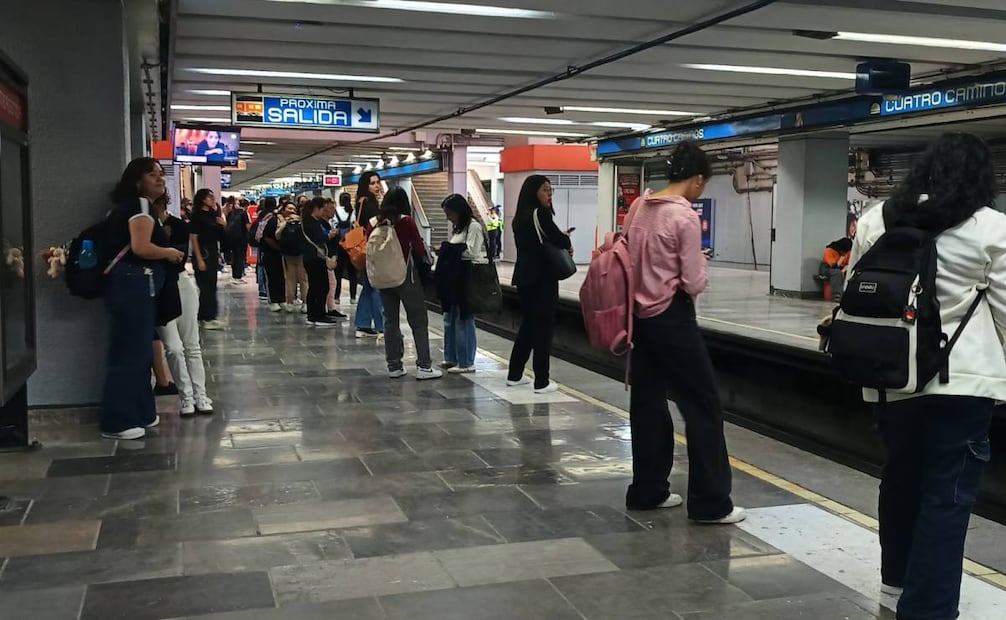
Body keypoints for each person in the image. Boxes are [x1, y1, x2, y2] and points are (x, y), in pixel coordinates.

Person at [848, 133, 1006, 620]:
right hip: (963, 384)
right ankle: (930, 609)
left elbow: (856, 292)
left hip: (892, 378)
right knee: (948, 496)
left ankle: (894, 585)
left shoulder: (878, 219)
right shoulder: (991, 228)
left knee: (900, 477)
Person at [623, 141, 744, 524]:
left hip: (638, 317)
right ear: (695, 179)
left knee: (647, 403)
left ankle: (647, 491)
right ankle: (710, 503)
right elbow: (692, 282)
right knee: (703, 405)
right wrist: (699, 265)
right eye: (702, 184)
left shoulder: (639, 207)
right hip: (672, 317)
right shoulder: (684, 216)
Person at [101, 158, 186, 440]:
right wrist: (169, 252)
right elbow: (141, 247)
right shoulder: (139, 206)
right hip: (133, 286)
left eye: (161, 175)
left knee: (139, 352)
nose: (160, 180)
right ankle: (118, 421)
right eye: (153, 175)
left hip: (133, 287)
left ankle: (142, 412)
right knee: (129, 353)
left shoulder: (129, 207)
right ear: (137, 181)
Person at [506, 175, 571, 394]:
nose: (549, 195)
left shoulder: (519, 218)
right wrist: (564, 239)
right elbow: (561, 240)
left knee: (529, 327)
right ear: (534, 192)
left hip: (524, 278)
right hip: (542, 279)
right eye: (545, 190)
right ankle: (541, 381)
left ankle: (515, 374)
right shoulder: (540, 214)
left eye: (551, 191)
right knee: (543, 329)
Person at [373, 188, 442, 380]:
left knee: (390, 321)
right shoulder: (407, 222)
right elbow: (419, 250)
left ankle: (394, 366)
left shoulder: (374, 223)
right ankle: (424, 367)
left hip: (384, 279)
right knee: (418, 321)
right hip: (406, 277)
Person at [155, 200, 212, 415]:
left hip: (180, 283)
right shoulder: (144, 226)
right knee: (173, 347)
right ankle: (186, 397)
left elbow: (178, 258)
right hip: (159, 287)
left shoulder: (178, 225)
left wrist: (158, 252)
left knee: (191, 344)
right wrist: (164, 252)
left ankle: (201, 395)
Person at [437, 194, 487, 373]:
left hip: (465, 278)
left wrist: (446, 250)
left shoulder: (474, 227)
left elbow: (471, 252)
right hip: (454, 279)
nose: (447, 217)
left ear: (458, 211)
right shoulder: (459, 229)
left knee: (463, 319)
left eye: (449, 213)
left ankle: (466, 361)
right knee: (449, 317)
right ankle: (452, 356)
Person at [353, 171, 386, 338]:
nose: (377, 186)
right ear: (366, 186)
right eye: (372, 183)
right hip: (372, 250)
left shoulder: (360, 202)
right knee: (377, 287)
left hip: (365, 249)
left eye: (378, 182)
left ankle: (363, 324)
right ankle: (381, 326)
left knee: (367, 288)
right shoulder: (369, 204)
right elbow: (377, 225)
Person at [189, 188, 227, 330]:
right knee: (206, 287)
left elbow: (219, 237)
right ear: (203, 199)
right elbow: (194, 238)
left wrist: (223, 225)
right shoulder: (197, 216)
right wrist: (198, 258)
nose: (213, 199)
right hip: (203, 253)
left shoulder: (213, 216)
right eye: (210, 197)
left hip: (212, 253)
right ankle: (206, 317)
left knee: (211, 286)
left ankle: (209, 316)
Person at [276, 203, 309, 313]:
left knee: (290, 279)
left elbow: (277, 236)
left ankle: (290, 302)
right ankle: (305, 303)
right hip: (301, 254)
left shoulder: (285, 222)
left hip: (288, 254)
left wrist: (283, 223)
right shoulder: (302, 221)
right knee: (304, 280)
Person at [322, 198, 348, 319]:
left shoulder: (329, 223)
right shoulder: (321, 224)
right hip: (324, 257)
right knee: (331, 283)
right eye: (331, 208)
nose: (333, 211)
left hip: (330, 256)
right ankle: (329, 308)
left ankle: (330, 307)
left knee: (331, 283)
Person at [258, 198, 286, 312]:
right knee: (272, 276)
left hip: (278, 253)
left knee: (280, 277)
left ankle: (281, 299)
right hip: (270, 252)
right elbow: (266, 237)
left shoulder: (268, 216)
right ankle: (273, 300)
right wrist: (278, 248)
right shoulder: (272, 219)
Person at [333, 192, 358, 305]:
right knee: (352, 272)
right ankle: (353, 297)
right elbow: (354, 225)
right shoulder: (352, 212)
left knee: (338, 272)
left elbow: (333, 225)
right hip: (350, 245)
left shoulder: (336, 211)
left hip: (339, 245)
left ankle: (336, 297)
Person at [226, 198, 251, 284]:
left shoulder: (231, 213)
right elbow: (248, 226)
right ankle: (238, 276)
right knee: (240, 256)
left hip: (231, 238)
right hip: (241, 238)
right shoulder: (244, 213)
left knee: (234, 256)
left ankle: (234, 275)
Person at [819, 237, 852, 302]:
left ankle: (848, 295)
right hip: (827, 268)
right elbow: (834, 266)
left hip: (840, 269)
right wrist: (842, 256)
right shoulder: (829, 250)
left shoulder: (847, 251)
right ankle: (837, 296)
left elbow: (849, 263)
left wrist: (843, 270)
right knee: (836, 272)